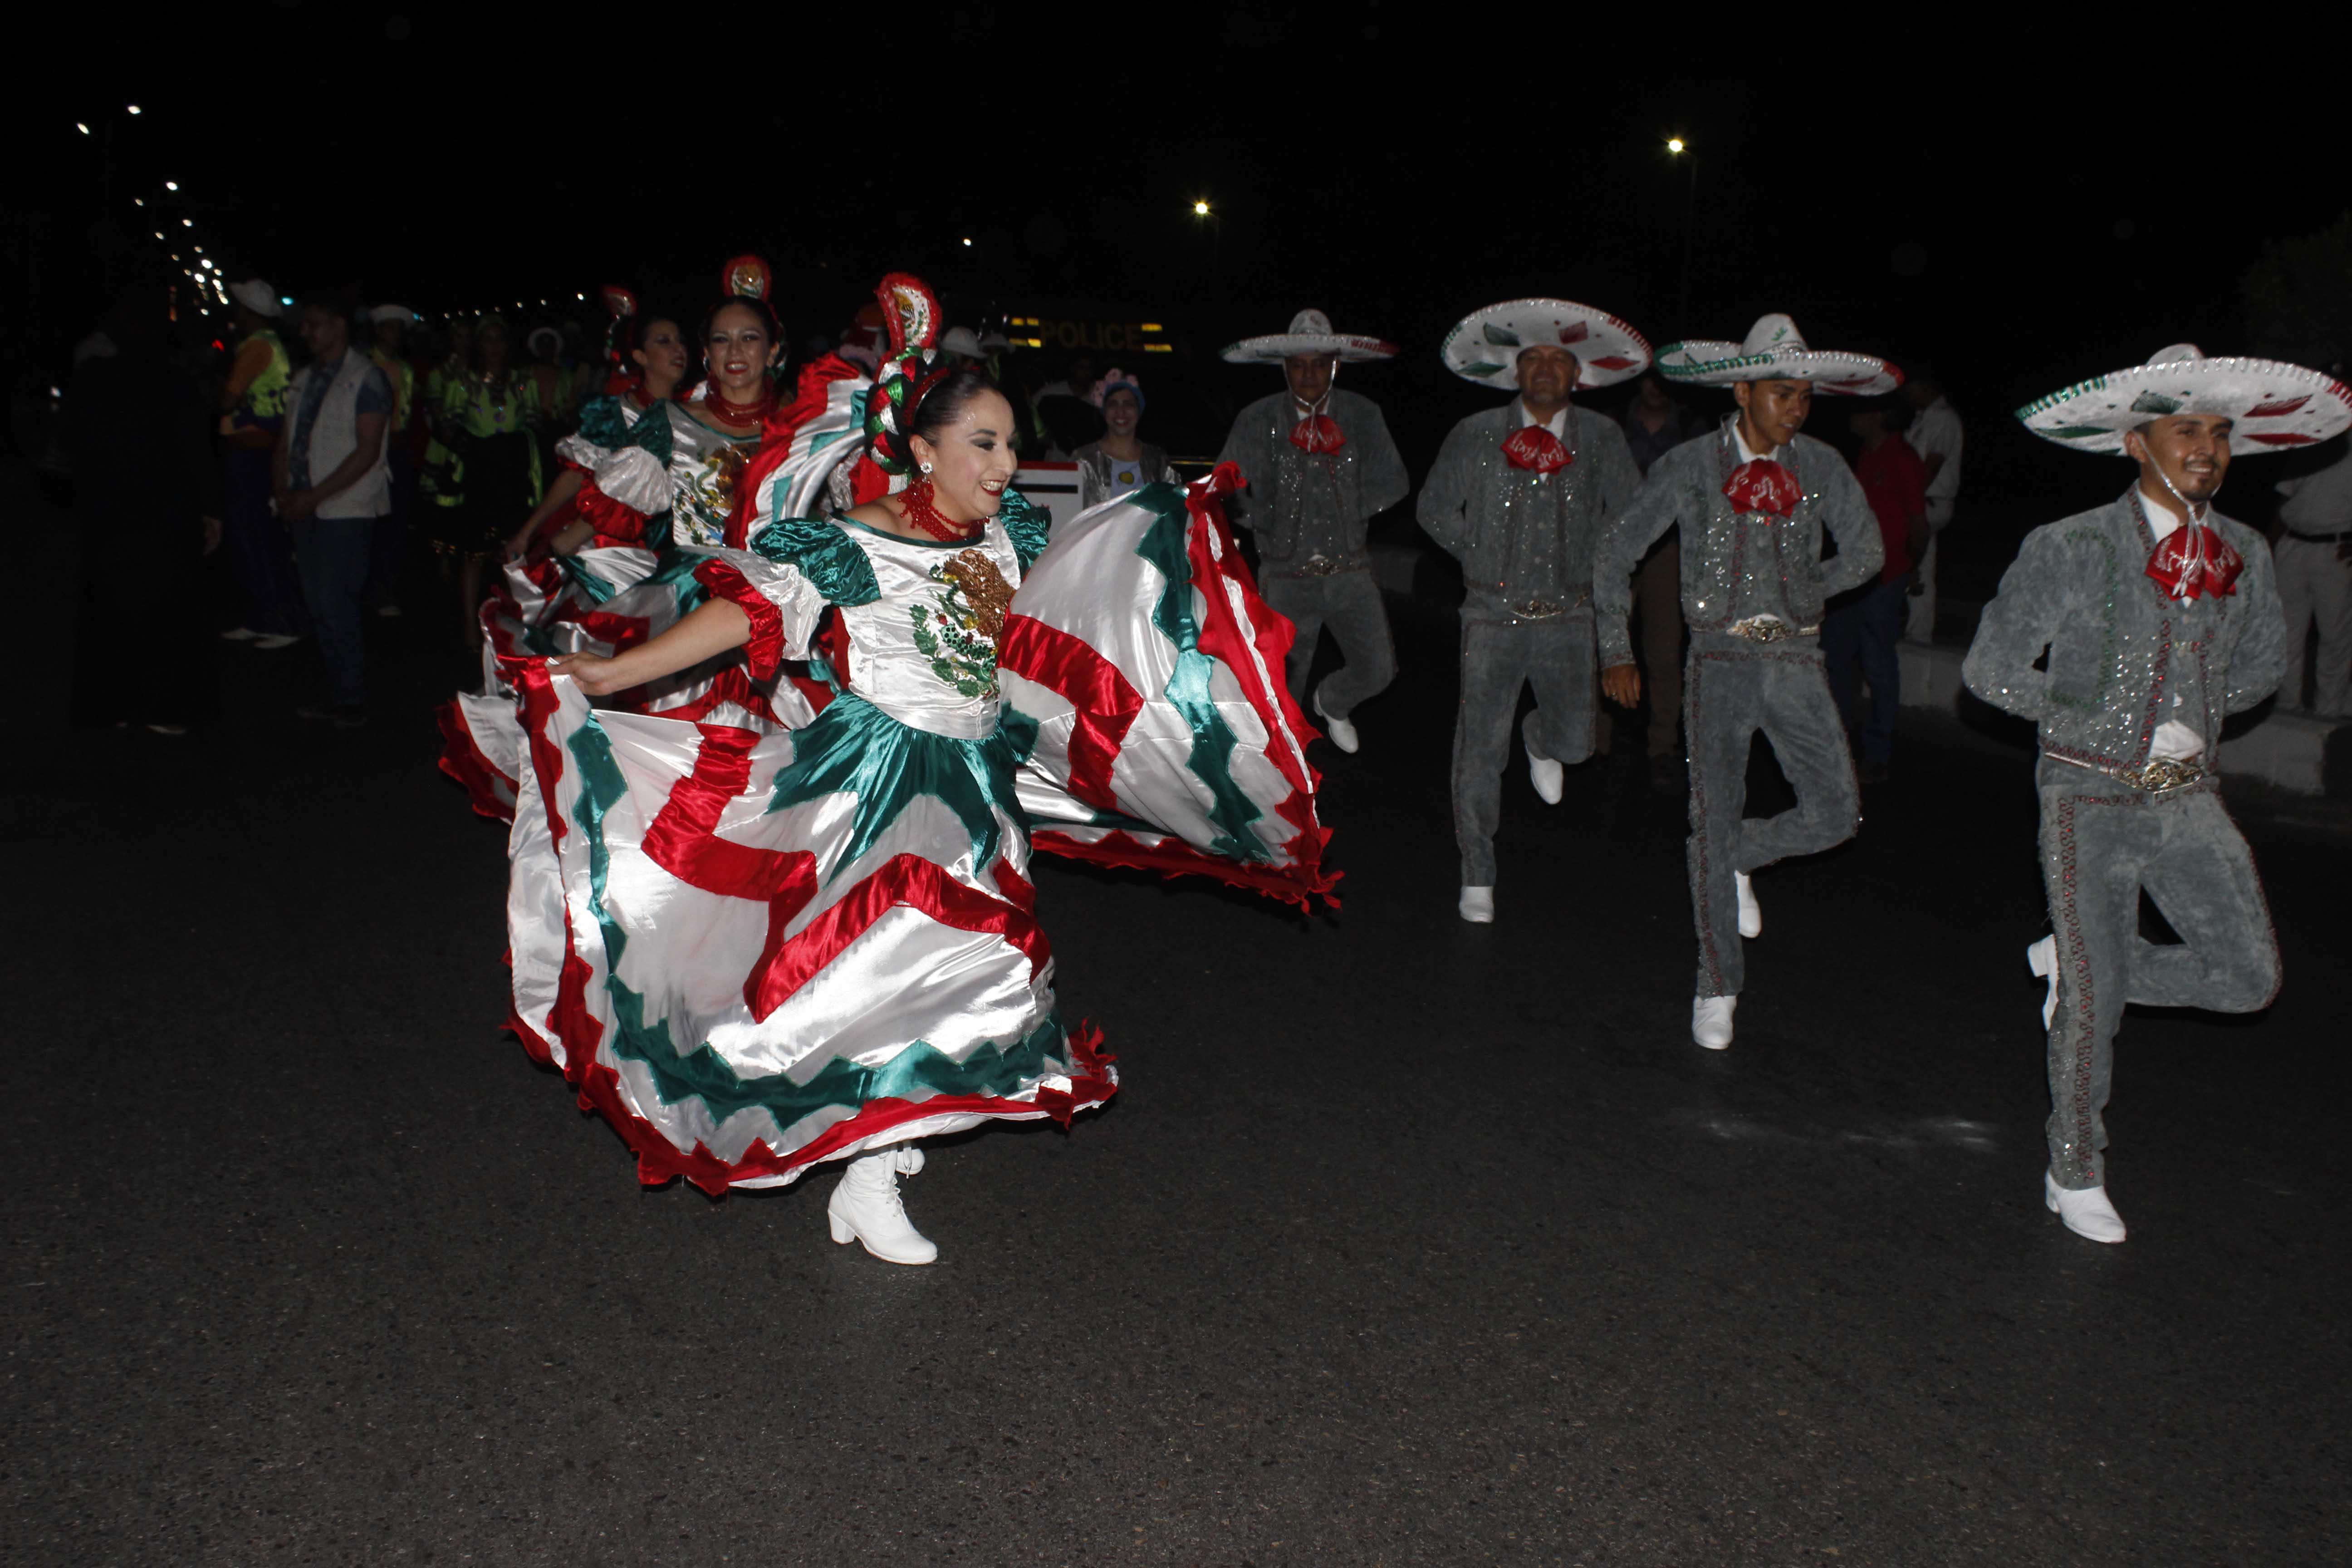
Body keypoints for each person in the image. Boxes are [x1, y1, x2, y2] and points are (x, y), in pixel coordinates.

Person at [499, 273, 1332, 1263]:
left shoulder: (1014, 534)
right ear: (925, 450)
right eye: (984, 443)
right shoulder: (855, 543)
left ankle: (870, 1175)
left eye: (1013, 443)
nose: (1006, 461)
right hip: (881, 784)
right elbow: (742, 617)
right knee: (944, 974)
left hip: (976, 787)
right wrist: (612, 670)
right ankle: (874, 1177)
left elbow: (1065, 635)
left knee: (968, 988)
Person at [1965, 345, 2345, 1243]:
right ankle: (2075, 1169)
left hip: (2187, 799)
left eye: (2220, 432)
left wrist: (2196, 716)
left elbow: (2259, 671)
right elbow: (1989, 672)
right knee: (2093, 1013)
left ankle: (2079, 967)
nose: (2207, 446)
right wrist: (2103, 720)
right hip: (2086, 793)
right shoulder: (2072, 544)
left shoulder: (2247, 550)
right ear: (2136, 443)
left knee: (2248, 976)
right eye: (2186, 429)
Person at [1592, 314, 1891, 1051]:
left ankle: (1738, 857)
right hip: (1718, 660)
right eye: (1781, 393)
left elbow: (1866, 551)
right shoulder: (1690, 465)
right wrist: (1613, 649)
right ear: (1741, 390)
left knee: (1835, 813)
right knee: (1711, 813)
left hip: (1792, 658)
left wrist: (1802, 591)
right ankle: (1716, 983)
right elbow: (1614, 552)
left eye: (1803, 395)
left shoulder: (1819, 465)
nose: (1795, 406)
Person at [1418, 297, 1649, 923]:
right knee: (1478, 751)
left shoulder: (1602, 439)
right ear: (1515, 373)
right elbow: (1434, 508)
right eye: (1533, 360)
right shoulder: (1475, 434)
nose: (1545, 369)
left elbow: (1625, 534)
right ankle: (1478, 871)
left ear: (1579, 377)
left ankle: (1542, 738)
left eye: (1559, 360)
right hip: (1492, 616)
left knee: (1578, 745)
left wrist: (1615, 637)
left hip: (1570, 619)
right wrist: (1479, 555)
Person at [1216, 309, 1407, 752]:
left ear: (1334, 366)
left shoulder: (1362, 414)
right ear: (1284, 368)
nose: (1309, 373)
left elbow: (1393, 479)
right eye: (1299, 365)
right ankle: (1286, 791)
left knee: (1379, 669)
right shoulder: (1257, 418)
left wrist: (1354, 512)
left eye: (1318, 364)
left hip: (1350, 573)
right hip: (1286, 578)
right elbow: (1227, 484)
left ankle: (1333, 701)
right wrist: (1264, 519)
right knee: (1281, 692)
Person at [69, 276, 221, 732]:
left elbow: (74, 444)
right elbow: (197, 451)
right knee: (167, 611)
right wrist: (211, 510)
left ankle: (111, 704)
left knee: (111, 609)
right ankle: (166, 707)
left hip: (112, 512)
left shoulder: (93, 381)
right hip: (165, 514)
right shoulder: (176, 385)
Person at [275, 296, 394, 727]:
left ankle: (350, 697)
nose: (305, 332)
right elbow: (287, 441)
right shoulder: (305, 378)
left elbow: (367, 452)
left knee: (333, 599)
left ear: (339, 326)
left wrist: (313, 495)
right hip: (308, 505)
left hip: (346, 507)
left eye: (314, 323)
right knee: (320, 601)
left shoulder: (366, 378)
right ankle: (341, 690)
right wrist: (283, 492)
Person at [1823, 397, 1928, 783]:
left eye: (1859, 411)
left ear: (1878, 416)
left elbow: (1919, 524)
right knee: (1836, 657)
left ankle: (1878, 752)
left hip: (1884, 578)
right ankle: (1841, 740)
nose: (1852, 417)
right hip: (1852, 576)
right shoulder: (1866, 454)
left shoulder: (1903, 459)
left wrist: (1910, 570)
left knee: (1878, 664)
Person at [424, 314, 542, 647]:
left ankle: (515, 624)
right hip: (477, 473)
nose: (494, 347)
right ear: (478, 346)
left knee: (515, 552)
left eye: (500, 339)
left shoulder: (525, 381)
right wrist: (468, 444)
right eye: (487, 340)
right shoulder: (461, 383)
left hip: (513, 474)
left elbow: (534, 425)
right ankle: (469, 625)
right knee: (473, 554)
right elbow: (446, 427)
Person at [1617, 372, 1702, 782]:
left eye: (1662, 382)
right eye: (1649, 381)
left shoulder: (1690, 430)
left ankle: (1663, 745)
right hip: (1614, 547)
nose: (1655, 389)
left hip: (1667, 551)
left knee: (1665, 653)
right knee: (1606, 646)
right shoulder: (1612, 425)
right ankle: (1592, 742)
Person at [217, 279, 305, 649]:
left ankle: (283, 620)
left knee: (257, 538)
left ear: (250, 313)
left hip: (254, 455)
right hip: (257, 452)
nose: (234, 313)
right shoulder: (270, 345)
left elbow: (226, 400)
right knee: (256, 537)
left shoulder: (256, 346)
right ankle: (263, 616)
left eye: (238, 307)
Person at [2271, 430, 2352, 715]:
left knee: (2335, 634)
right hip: (2293, 544)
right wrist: (2271, 545)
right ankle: (2286, 705)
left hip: (2337, 549)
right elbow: (2284, 495)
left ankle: (2330, 709)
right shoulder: (2312, 441)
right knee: (2286, 631)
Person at [1900, 366, 1963, 642]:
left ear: (1926, 387)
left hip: (1930, 503)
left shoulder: (1944, 419)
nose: (1906, 396)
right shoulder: (1923, 419)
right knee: (1921, 567)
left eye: (1910, 389)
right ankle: (1918, 634)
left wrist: (1908, 502)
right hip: (1923, 502)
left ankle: (1914, 632)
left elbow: (1932, 466)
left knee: (1906, 562)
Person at [365, 304, 419, 618]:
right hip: (372, 449)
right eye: (388, 328)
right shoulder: (366, 364)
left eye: (399, 329)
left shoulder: (405, 367)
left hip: (398, 450)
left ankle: (385, 586)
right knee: (369, 519)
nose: (394, 335)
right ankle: (367, 584)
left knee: (395, 521)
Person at [1073, 368, 1176, 509]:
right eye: (1113, 404)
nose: (1121, 412)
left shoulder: (1158, 460)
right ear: (1104, 411)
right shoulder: (1084, 459)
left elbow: (1172, 510)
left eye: (1128, 404)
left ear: (1138, 411)